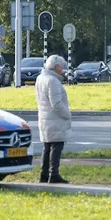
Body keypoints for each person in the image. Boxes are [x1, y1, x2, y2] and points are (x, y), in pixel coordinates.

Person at [36, 55, 72, 183]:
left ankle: (43, 174)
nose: (63, 69)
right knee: (56, 146)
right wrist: (67, 114)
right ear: (56, 67)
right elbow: (56, 103)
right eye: (62, 66)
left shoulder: (40, 78)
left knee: (47, 146)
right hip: (55, 119)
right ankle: (54, 174)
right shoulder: (53, 81)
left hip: (44, 117)